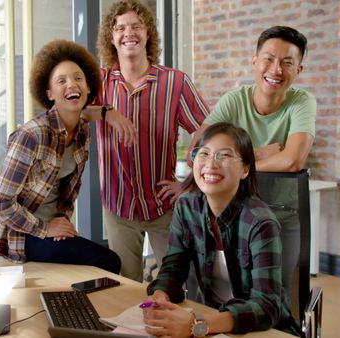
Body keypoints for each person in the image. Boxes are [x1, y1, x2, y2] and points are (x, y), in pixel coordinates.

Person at [185, 26, 315, 295]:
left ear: (298, 70)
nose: (276, 69)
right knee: (222, 292)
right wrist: (260, 153)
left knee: (276, 299)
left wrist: (236, 160)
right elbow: (196, 153)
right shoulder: (235, 100)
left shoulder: (302, 102)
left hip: (283, 216)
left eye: (287, 62)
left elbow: (293, 161)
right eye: (268, 58)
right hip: (235, 217)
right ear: (254, 61)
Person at [143, 122, 300, 337]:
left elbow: (267, 306)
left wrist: (198, 324)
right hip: (211, 320)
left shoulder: (261, 223)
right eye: (203, 154)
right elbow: (173, 267)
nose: (211, 164)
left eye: (224, 156)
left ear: (245, 169)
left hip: (260, 329)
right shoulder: (187, 207)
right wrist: (160, 295)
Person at [94, 0, 210, 282]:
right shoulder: (99, 82)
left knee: (180, 283)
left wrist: (189, 182)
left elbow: (208, 132)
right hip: (118, 206)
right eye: (120, 27)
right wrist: (106, 112)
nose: (128, 33)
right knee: (125, 286)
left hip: (163, 206)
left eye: (136, 25)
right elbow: (71, 112)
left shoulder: (175, 82)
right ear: (111, 38)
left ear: (148, 34)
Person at [0, 39, 121, 274]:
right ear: (49, 92)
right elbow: (0, 204)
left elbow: (65, 192)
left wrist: (106, 112)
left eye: (78, 78)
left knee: (99, 256)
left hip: (53, 226)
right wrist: (46, 228)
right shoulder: (32, 135)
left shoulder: (80, 130)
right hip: (21, 234)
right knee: (108, 260)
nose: (72, 84)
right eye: (61, 80)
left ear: (89, 86)